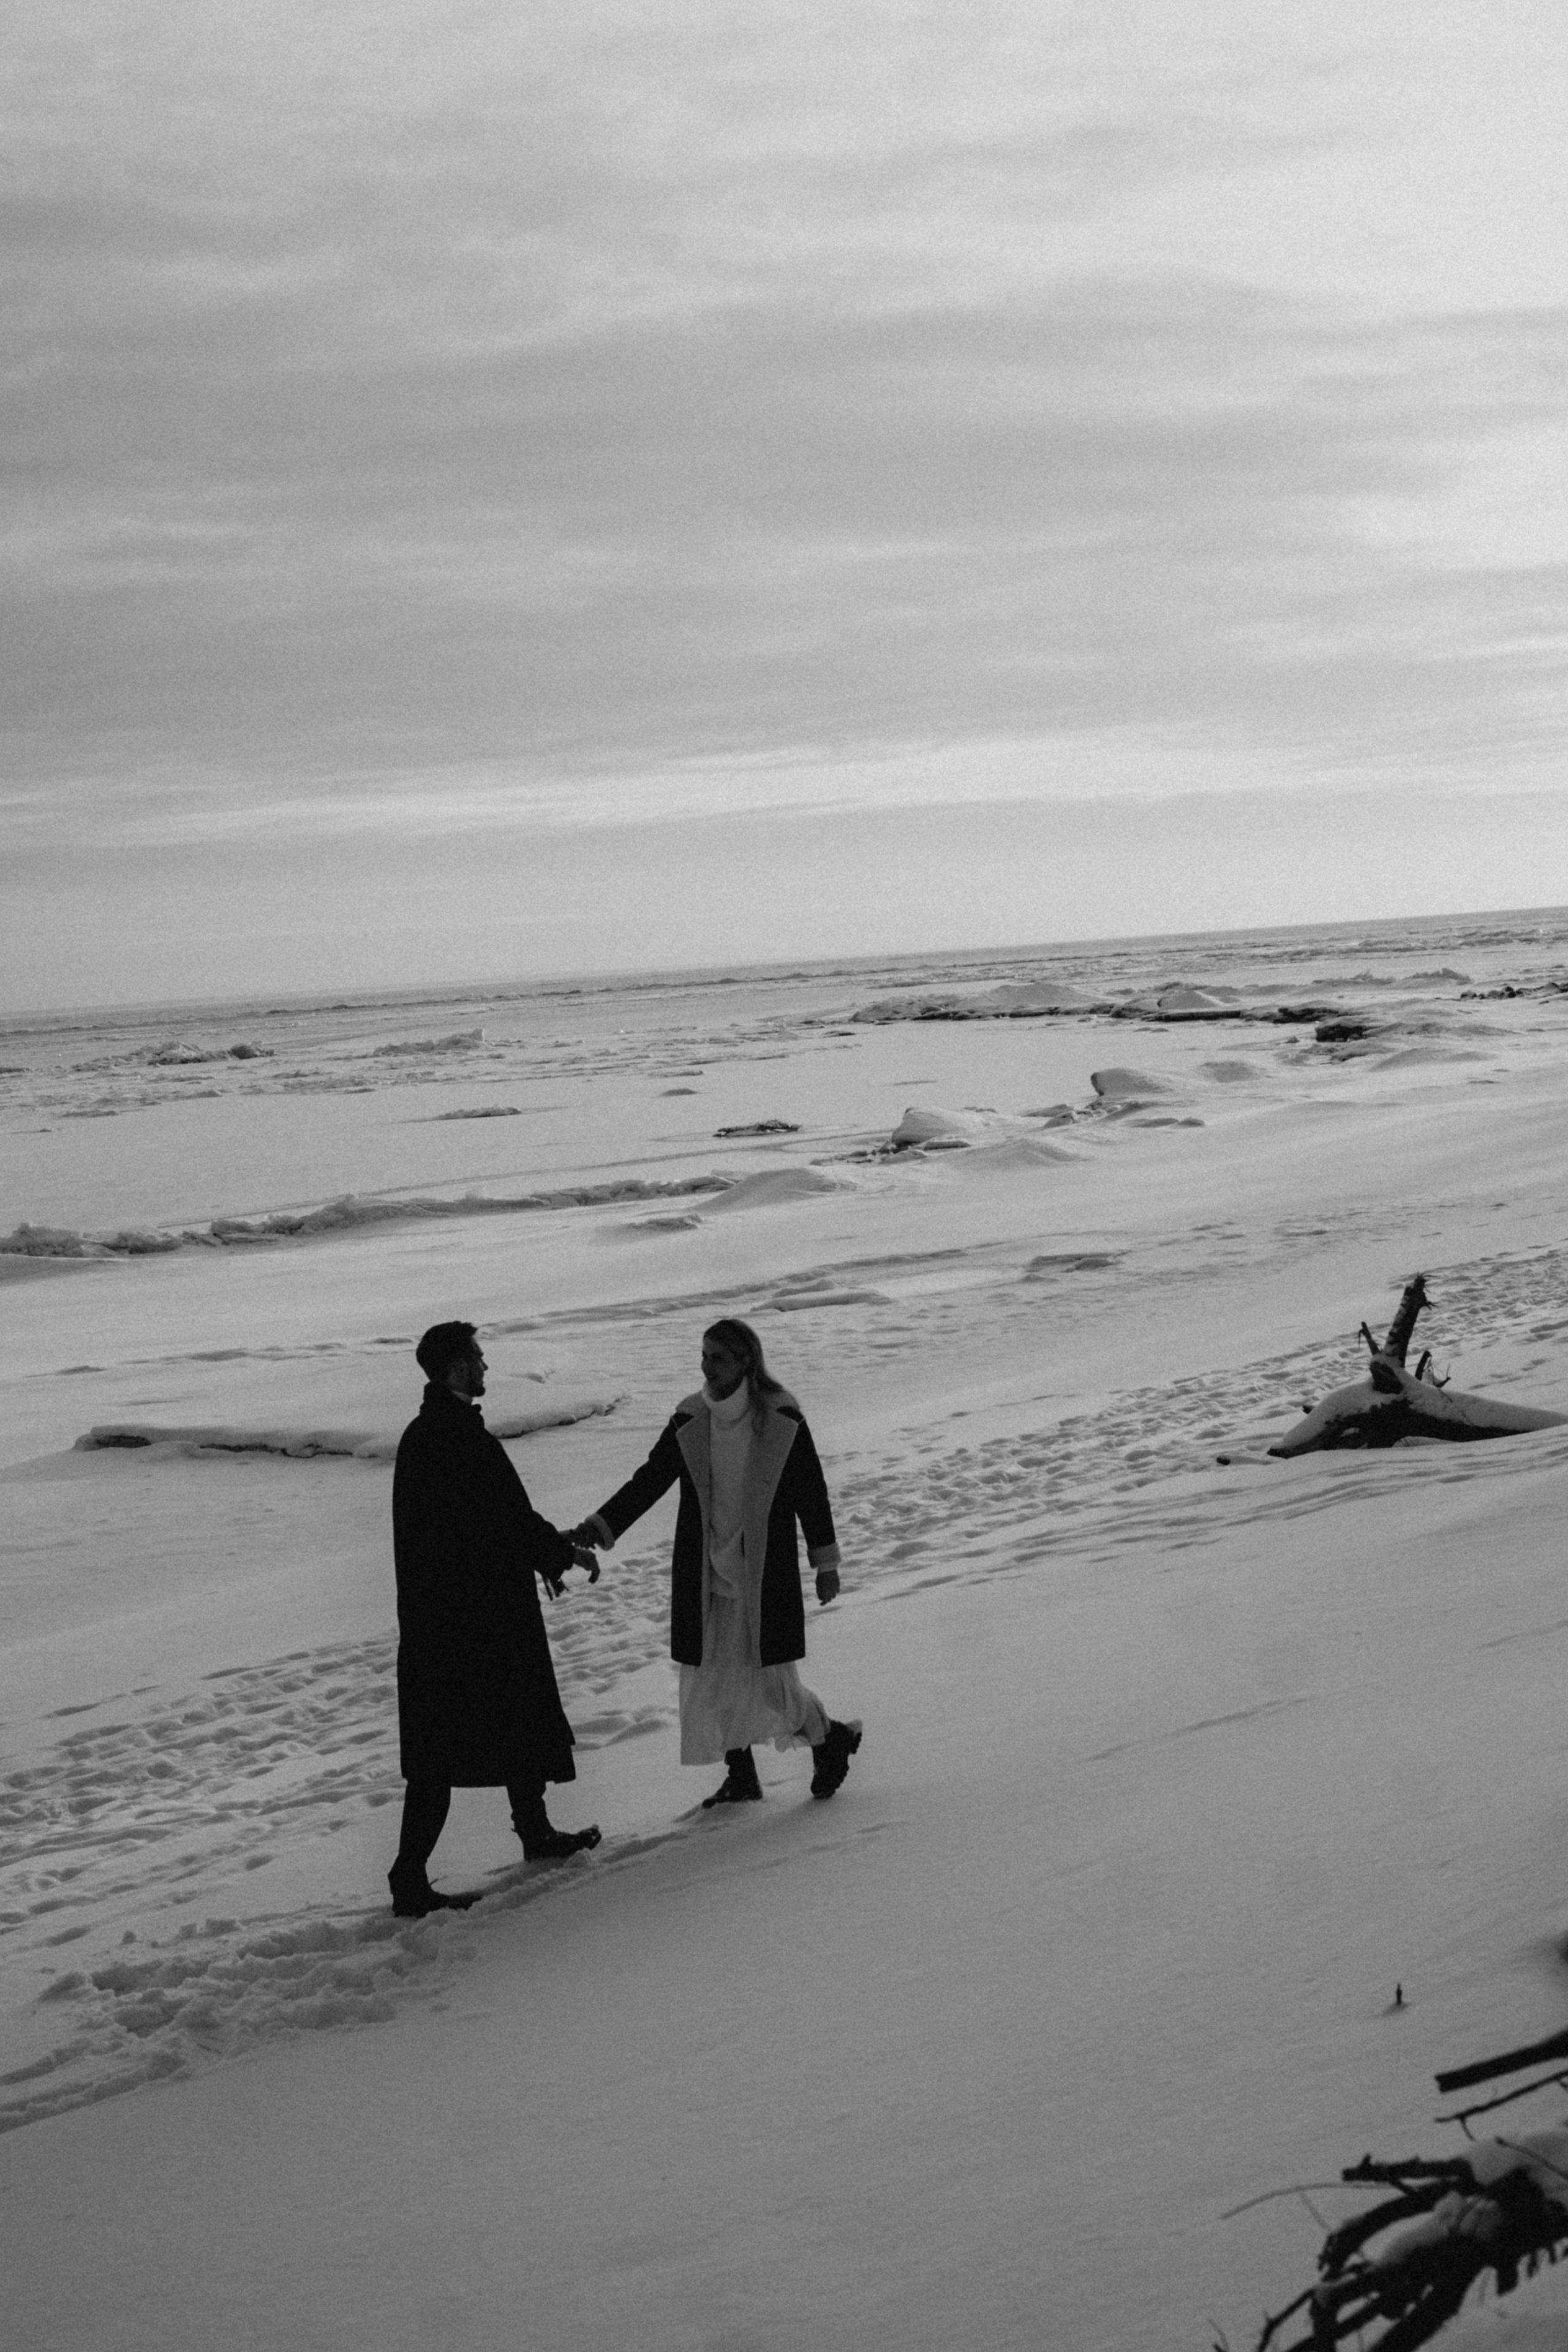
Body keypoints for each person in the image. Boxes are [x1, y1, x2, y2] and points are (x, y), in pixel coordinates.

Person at [575, 1319, 861, 1807]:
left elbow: (810, 1492)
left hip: (762, 1569)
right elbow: (650, 1480)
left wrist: (825, 1563)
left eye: (718, 1358)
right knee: (712, 1675)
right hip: (705, 1565)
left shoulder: (780, 1416)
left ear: (746, 1361)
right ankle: (742, 1774)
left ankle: (828, 1738)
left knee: (771, 1681)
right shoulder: (692, 1417)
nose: (705, 1367)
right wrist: (600, 1527)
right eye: (704, 1355)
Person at [389, 1321, 602, 1918]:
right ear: (457, 1368)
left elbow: (494, 1521)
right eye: (479, 1360)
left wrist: (545, 1554)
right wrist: (561, 1553)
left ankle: (534, 1834)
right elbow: (506, 1519)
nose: (486, 1368)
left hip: (453, 1617)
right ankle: (408, 1879)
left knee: (502, 1726)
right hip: (469, 1621)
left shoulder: (428, 1432)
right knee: (445, 1752)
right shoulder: (453, 1435)